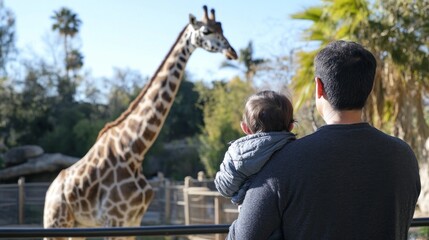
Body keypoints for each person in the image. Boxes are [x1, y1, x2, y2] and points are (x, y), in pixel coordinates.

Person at [227, 40, 421, 240]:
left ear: (319, 87)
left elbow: (243, 236)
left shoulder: (281, 163)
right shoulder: (404, 157)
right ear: (369, 87)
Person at [214, 90, 296, 207]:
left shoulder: (236, 154)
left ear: (245, 128)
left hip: (252, 213)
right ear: (291, 126)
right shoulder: (297, 150)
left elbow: (224, 188)